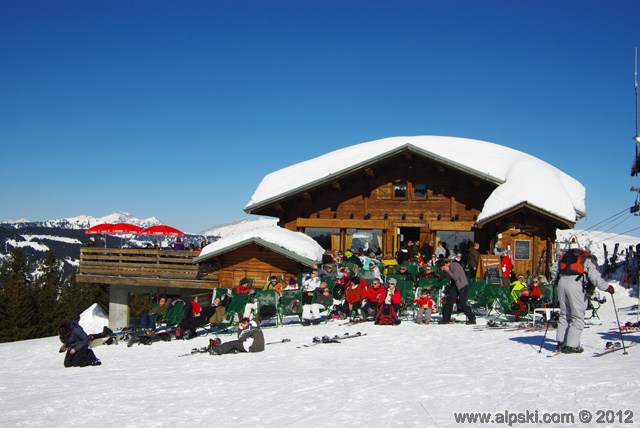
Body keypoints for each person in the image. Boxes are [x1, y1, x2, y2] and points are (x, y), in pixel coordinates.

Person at [551, 248, 613, 353]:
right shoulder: (587, 259)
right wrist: (607, 287)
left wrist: (555, 281)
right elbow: (595, 277)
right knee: (577, 315)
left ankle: (561, 342)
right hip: (575, 284)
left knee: (564, 314)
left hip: (561, 283)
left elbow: (553, 269)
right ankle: (572, 345)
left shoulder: (565, 257)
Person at [436, 258, 476, 324]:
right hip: (454, 286)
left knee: (462, 304)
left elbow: (455, 277)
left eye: (442, 268)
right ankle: (446, 319)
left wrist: (448, 271)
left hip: (462, 286)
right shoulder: (447, 268)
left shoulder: (456, 266)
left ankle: (472, 318)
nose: (442, 269)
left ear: (446, 265)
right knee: (449, 301)